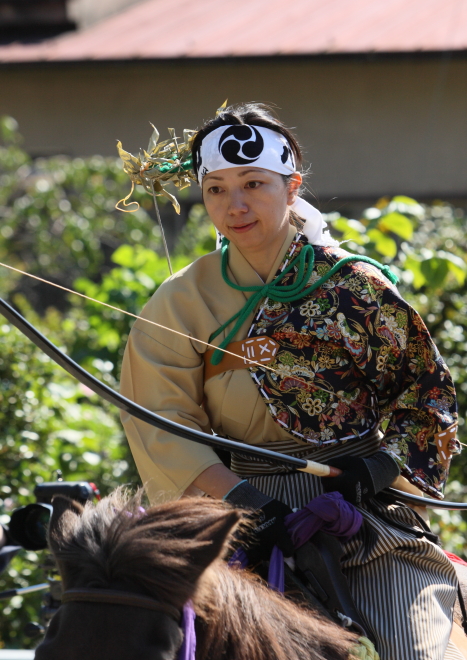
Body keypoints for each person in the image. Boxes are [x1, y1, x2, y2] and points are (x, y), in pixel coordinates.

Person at [120, 103, 462, 660]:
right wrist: (249, 503)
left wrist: (370, 472)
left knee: (417, 651)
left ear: (291, 185)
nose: (235, 205)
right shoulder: (178, 302)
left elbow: (424, 396)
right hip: (232, 513)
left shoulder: (354, 284)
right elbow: (161, 422)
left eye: (254, 183)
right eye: (216, 189)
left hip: (359, 512)